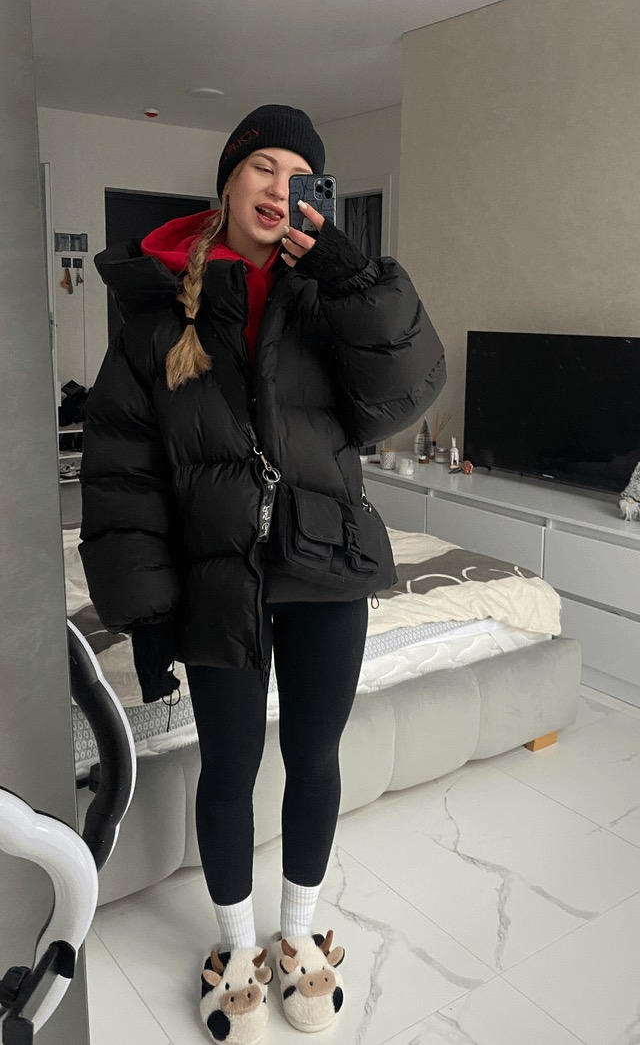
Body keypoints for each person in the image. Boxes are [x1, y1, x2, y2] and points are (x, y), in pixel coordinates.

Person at [79, 104, 446, 1040]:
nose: (280, 188)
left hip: (326, 564)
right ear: (228, 182)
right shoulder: (157, 313)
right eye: (262, 167)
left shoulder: (328, 298)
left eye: (299, 174)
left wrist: (351, 274)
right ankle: (236, 946)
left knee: (315, 756)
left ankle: (298, 936)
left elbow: (406, 389)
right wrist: (145, 608)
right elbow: (124, 472)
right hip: (220, 577)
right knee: (231, 767)